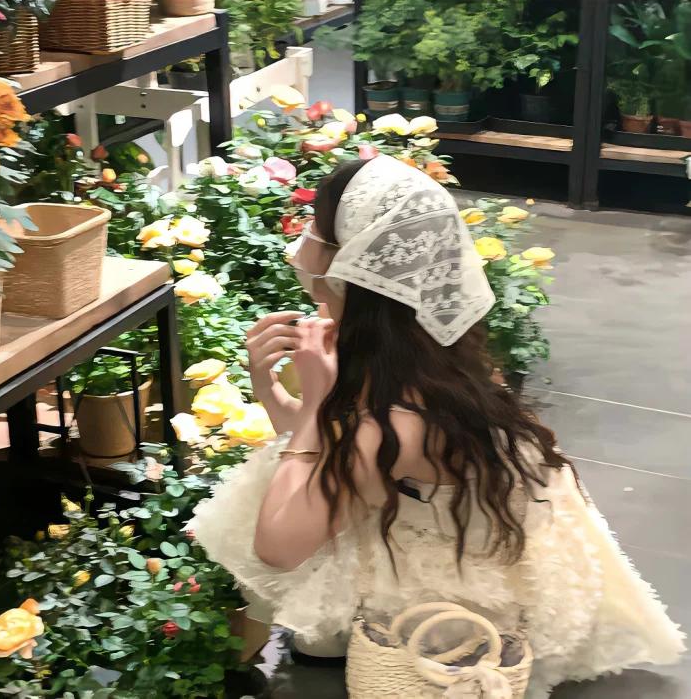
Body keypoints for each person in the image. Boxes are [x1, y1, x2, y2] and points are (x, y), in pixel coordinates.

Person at [190, 155, 685, 697]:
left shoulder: (404, 416)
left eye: (319, 230)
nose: (304, 241)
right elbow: (339, 447)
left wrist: (313, 405)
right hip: (421, 509)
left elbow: (279, 544)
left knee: (272, 490)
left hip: (456, 585)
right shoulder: (418, 346)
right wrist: (273, 392)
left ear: (352, 260)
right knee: (285, 469)